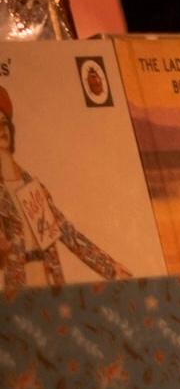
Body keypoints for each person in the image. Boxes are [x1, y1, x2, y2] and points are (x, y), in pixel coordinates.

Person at [0, 84, 131, 292]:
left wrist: (110, 268)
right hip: (17, 289)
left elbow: (66, 233)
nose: (1, 130)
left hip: (49, 279)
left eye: (4, 123)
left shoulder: (31, 186)